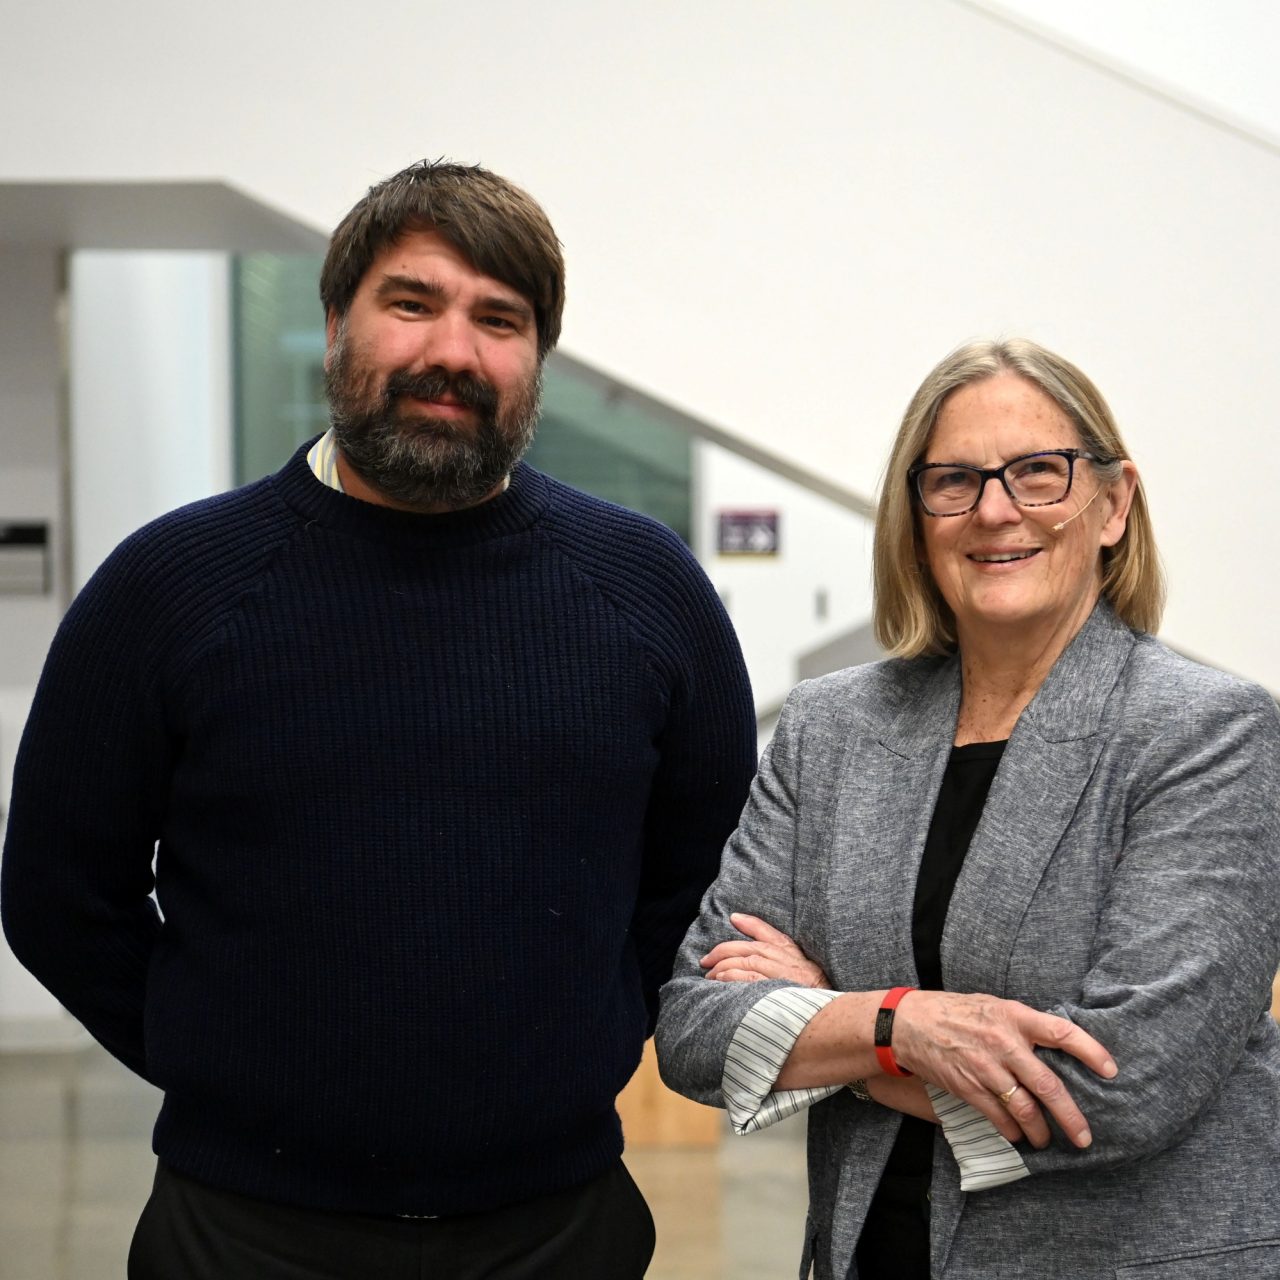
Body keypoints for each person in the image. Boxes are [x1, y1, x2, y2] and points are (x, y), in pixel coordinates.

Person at [0, 159, 757, 1279]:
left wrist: (584, 1031)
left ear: (537, 358)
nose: (452, 351)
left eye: (498, 319)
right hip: (243, 1230)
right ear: (335, 321)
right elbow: (60, 890)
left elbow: (702, 874)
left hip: (555, 1227)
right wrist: (217, 1061)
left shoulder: (646, 591)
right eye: (411, 302)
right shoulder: (173, 586)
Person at [656, 338, 1280, 1279]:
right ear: (917, 516)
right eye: (954, 480)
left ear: (1113, 504)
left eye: (1038, 472)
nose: (994, 510)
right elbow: (696, 1028)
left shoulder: (1209, 734)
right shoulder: (831, 728)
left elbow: (1121, 1088)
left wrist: (826, 1022)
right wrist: (896, 1024)